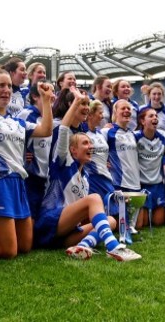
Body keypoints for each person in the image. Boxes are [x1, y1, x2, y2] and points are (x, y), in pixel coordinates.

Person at [34, 88, 141, 262]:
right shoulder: (62, 162)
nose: (90, 147)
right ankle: (114, 248)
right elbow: (63, 129)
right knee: (94, 198)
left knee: (111, 221)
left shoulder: (85, 179)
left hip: (65, 234)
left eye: (91, 143)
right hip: (49, 225)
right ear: (73, 150)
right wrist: (77, 101)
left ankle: (83, 246)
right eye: (85, 143)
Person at [0, 69, 54, 259]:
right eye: (1, 85)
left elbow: (46, 130)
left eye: (9, 86)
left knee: (26, 246)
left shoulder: (18, 122)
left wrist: (46, 99)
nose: (6, 90)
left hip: (19, 182)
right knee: (9, 251)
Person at [16, 81, 55, 220]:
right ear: (34, 96)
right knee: (30, 216)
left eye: (52, 91)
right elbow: (13, 136)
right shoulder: (25, 115)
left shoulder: (49, 118)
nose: (51, 95)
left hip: (44, 176)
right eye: (46, 92)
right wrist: (21, 153)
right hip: (30, 175)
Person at [134, 108, 165, 227]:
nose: (155, 118)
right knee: (141, 224)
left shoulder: (164, 138)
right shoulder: (135, 137)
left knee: (158, 222)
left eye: (156, 116)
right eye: (151, 116)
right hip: (141, 185)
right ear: (142, 121)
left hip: (158, 185)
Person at [102, 100, 141, 198]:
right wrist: (101, 161)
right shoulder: (107, 132)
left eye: (129, 109)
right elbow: (92, 146)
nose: (127, 110)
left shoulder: (133, 134)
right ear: (115, 112)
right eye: (123, 108)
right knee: (120, 214)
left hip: (136, 184)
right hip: (118, 184)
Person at [84, 100, 115, 213]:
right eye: (100, 113)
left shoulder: (99, 133)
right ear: (90, 115)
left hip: (106, 176)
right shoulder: (82, 132)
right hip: (92, 178)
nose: (102, 117)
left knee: (115, 215)